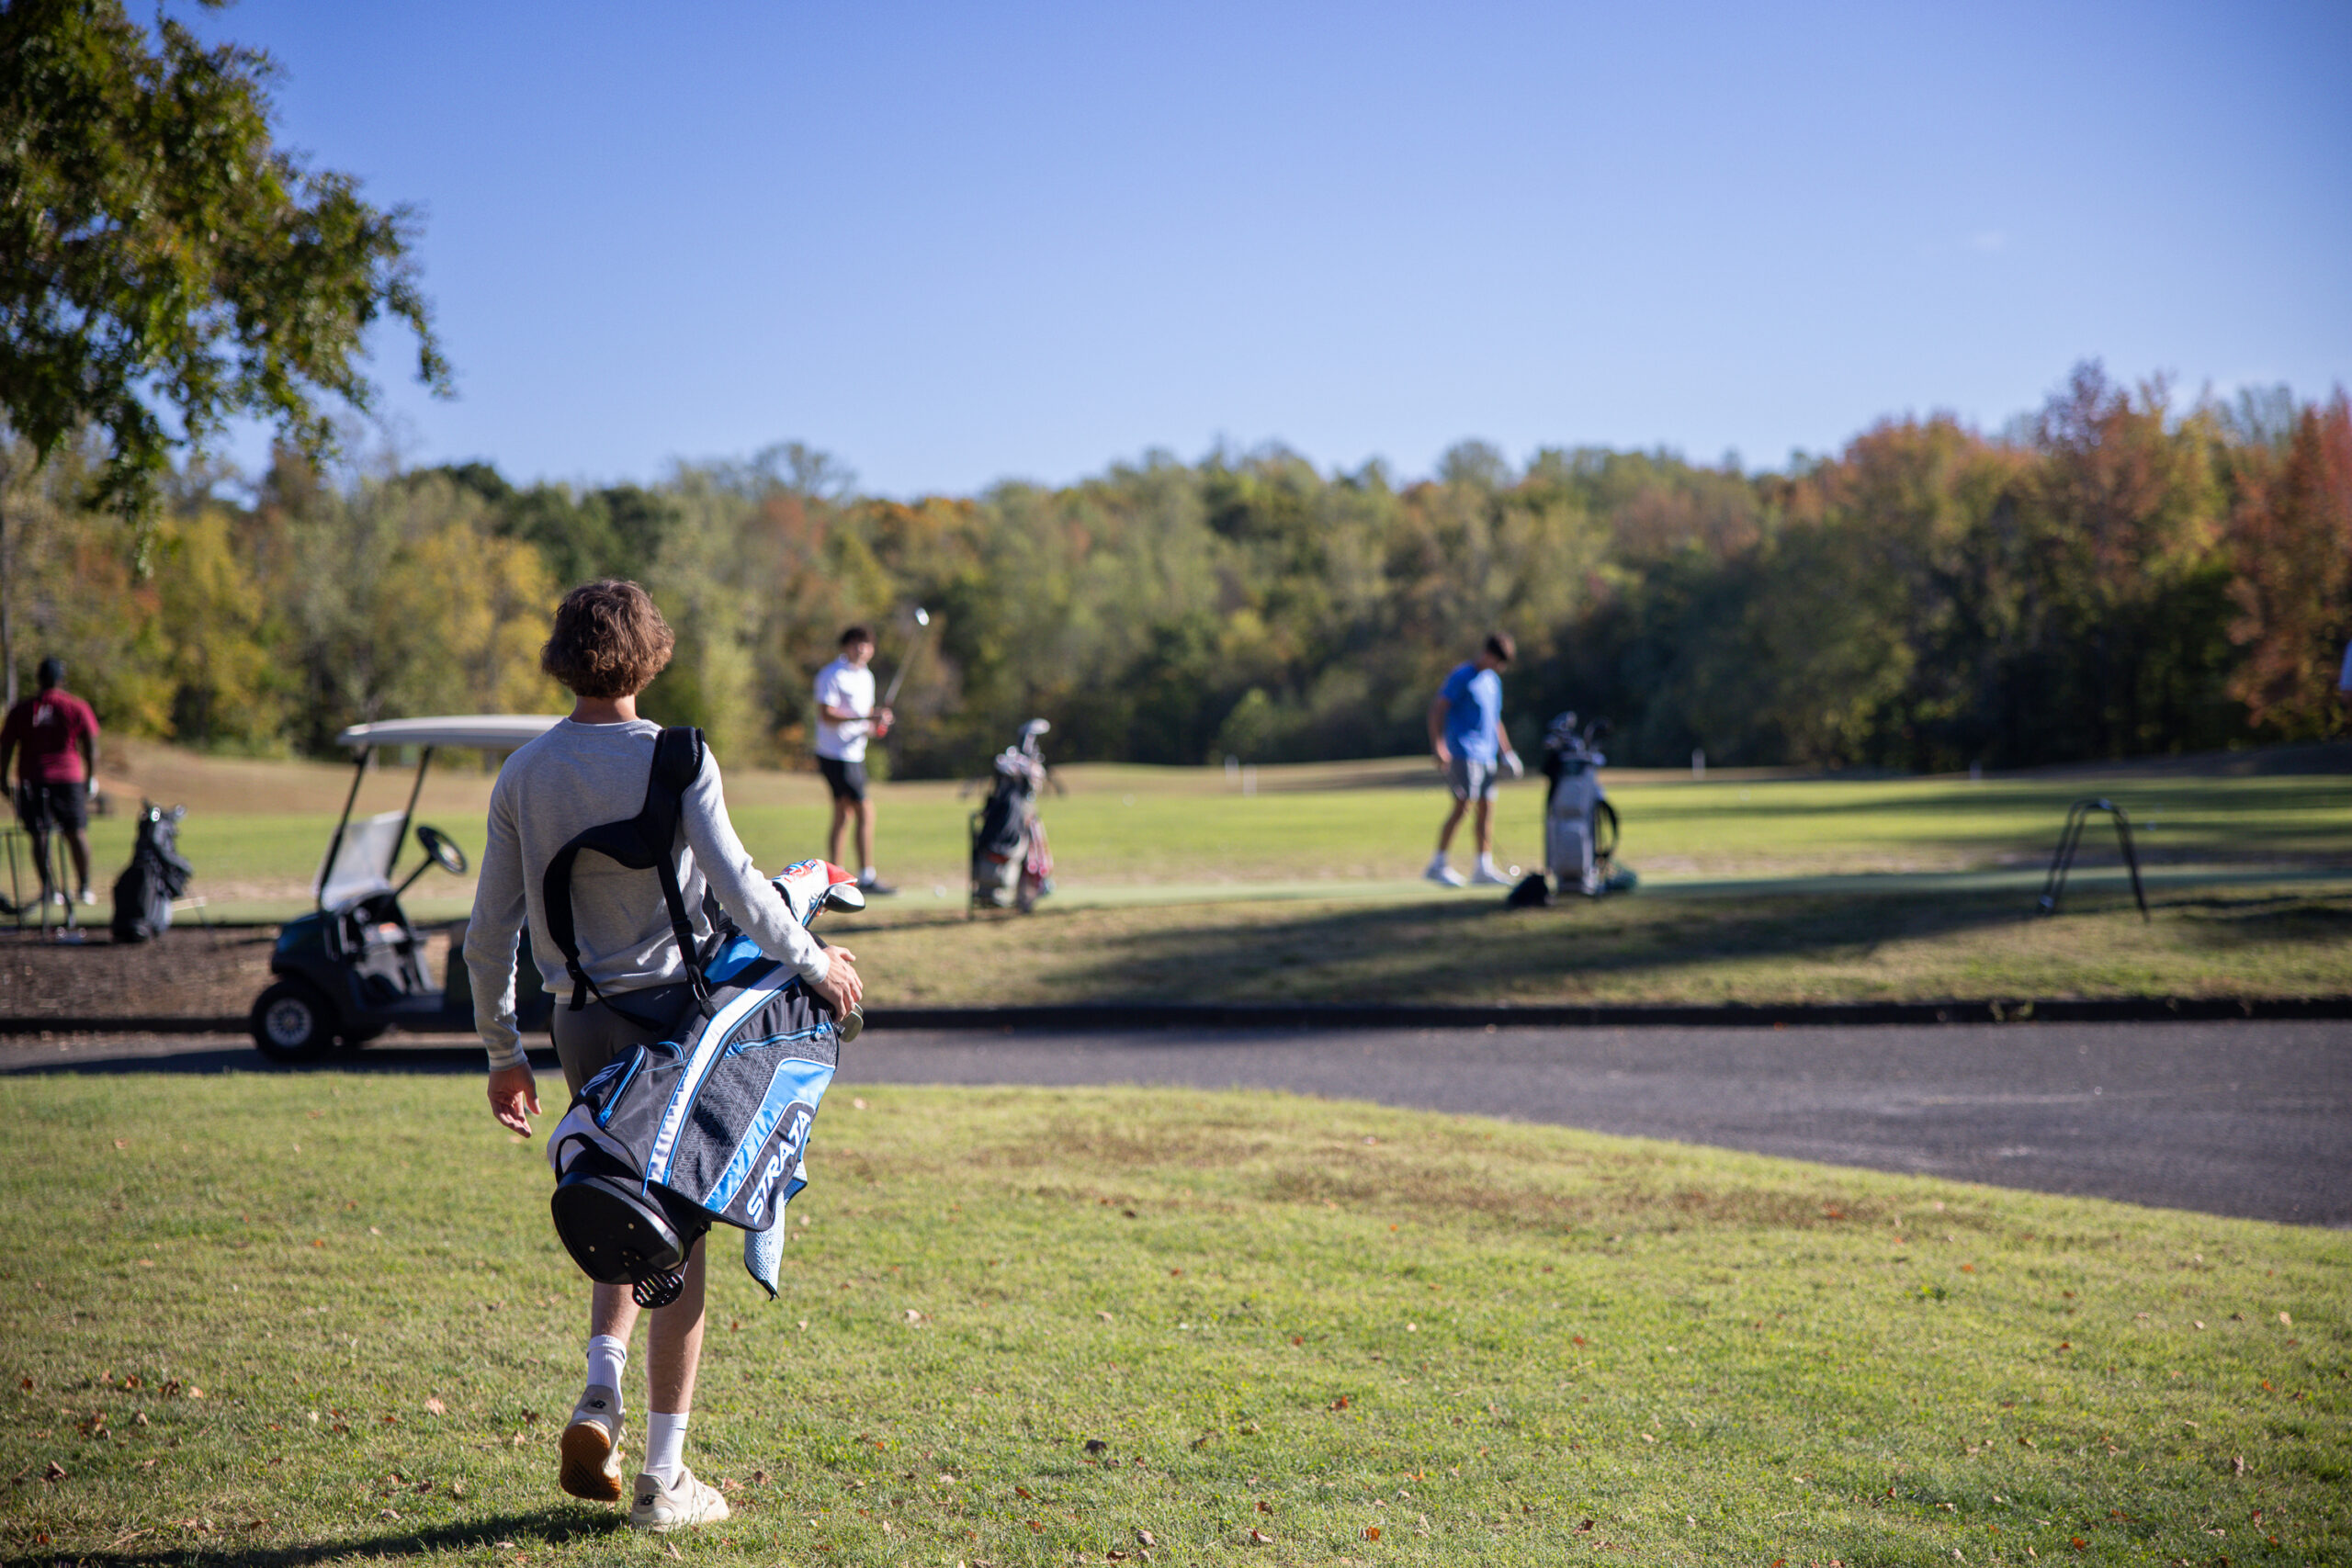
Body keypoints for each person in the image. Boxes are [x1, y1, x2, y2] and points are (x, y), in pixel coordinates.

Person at [464, 580, 865, 1533]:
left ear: (563, 656)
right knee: (676, 1244)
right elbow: (745, 894)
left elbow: (490, 936)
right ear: (650, 655)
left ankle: (599, 1390)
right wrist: (819, 965)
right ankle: (663, 1480)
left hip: (577, 1022)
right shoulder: (679, 757)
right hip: (675, 1026)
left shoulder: (523, 772)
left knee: (619, 1197)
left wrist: (499, 1053)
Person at [0, 657, 101, 906]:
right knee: (75, 832)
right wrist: (90, 777)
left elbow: (5, 749)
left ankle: (51, 889)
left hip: (33, 779)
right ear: (61, 679)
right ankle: (84, 887)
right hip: (68, 778)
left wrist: (2, 778)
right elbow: (91, 745)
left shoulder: (21, 709)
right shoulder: (75, 705)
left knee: (40, 835)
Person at [1425, 632, 1523, 887]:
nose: (1499, 667)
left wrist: (1507, 752)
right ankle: (1438, 864)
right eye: (1498, 661)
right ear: (1488, 654)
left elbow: (1494, 720)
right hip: (1462, 752)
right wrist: (1439, 746)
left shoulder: (1493, 682)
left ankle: (1483, 868)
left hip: (1487, 754)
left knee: (1487, 809)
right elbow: (1437, 709)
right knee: (1462, 807)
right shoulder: (1462, 676)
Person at [813, 626, 897, 895]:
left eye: (867, 644)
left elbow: (866, 714)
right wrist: (865, 719)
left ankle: (834, 879)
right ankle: (865, 876)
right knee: (864, 810)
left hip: (854, 753)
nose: (862, 648)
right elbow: (826, 714)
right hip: (835, 754)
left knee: (843, 814)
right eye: (856, 643)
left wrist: (877, 723)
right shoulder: (831, 674)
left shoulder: (867, 677)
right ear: (846, 646)